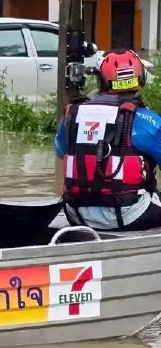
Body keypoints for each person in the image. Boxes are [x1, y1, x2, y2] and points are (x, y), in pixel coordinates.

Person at [56, 48, 161, 231]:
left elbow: (60, 150)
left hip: (76, 215)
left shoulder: (73, 114)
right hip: (129, 215)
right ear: (140, 79)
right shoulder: (146, 120)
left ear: (102, 81)